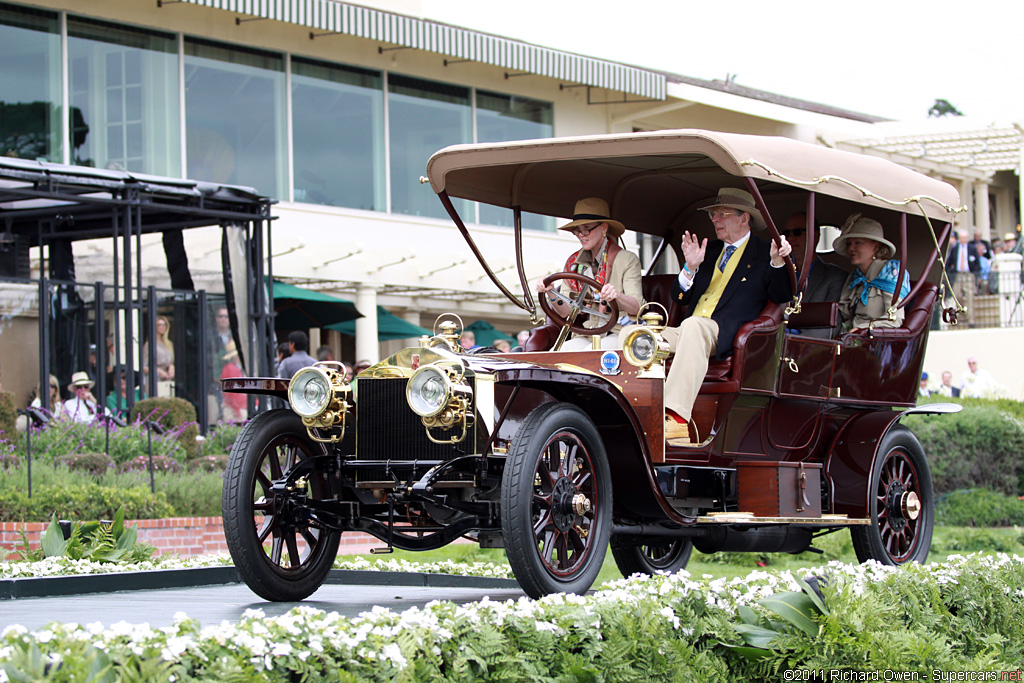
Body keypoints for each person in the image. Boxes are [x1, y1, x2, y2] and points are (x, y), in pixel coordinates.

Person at [644, 188, 792, 445]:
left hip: (726, 332)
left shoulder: (765, 251)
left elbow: (781, 295)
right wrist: (689, 268)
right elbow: (680, 298)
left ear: (744, 218)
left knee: (694, 326)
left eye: (722, 214)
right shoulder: (708, 251)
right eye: (714, 214)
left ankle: (675, 419)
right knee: (633, 335)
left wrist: (778, 263)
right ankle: (632, 411)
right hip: (689, 330)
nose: (715, 220)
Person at [535, 197, 644, 350]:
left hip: (621, 331)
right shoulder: (573, 265)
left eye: (586, 228)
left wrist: (616, 295)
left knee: (589, 354)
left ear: (604, 228)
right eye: (577, 230)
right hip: (590, 332)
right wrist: (551, 291)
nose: (581, 235)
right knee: (557, 354)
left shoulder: (627, 259)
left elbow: (637, 307)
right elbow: (566, 312)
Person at [834, 214, 910, 333]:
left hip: (874, 343)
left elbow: (894, 321)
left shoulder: (891, 274)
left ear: (876, 246)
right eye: (849, 244)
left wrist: (862, 330)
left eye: (858, 242)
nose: (851, 248)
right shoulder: (855, 277)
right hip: (848, 339)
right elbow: (844, 315)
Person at [782, 212, 847, 338]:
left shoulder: (835, 276)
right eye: (786, 233)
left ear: (815, 235)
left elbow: (834, 325)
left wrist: (797, 343)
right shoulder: (779, 274)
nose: (790, 238)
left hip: (810, 350)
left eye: (797, 232)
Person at [944, 229, 980, 326]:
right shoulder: (955, 248)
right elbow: (949, 261)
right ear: (959, 239)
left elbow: (977, 263)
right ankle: (959, 317)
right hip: (958, 275)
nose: (964, 240)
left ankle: (971, 320)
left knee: (969, 297)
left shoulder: (972, 248)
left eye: (965, 238)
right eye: (962, 238)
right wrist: (945, 271)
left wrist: (975, 273)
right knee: (957, 296)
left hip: (968, 275)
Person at [142, 315, 175, 382]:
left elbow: (171, 361)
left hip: (167, 379)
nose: (163, 327)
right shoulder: (149, 344)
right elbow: (143, 367)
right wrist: (158, 371)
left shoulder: (169, 344)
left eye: (164, 325)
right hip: (154, 379)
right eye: (160, 325)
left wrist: (172, 367)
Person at [220, 343, 247, 422]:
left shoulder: (234, 368)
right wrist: (237, 410)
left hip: (236, 409)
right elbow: (232, 393)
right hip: (235, 411)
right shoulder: (231, 369)